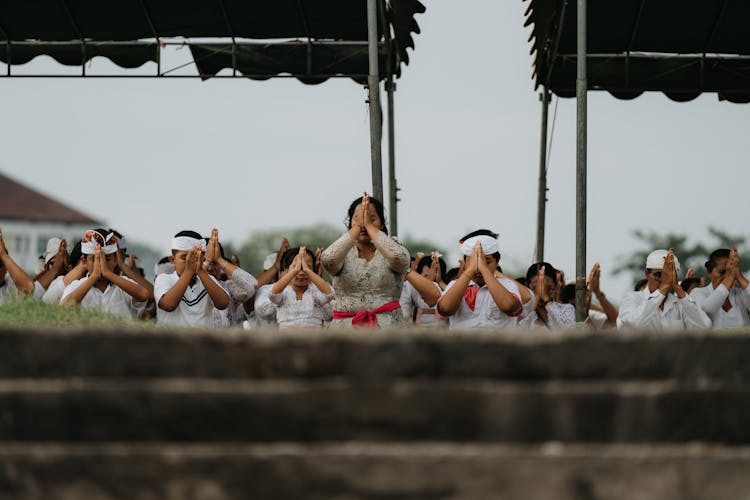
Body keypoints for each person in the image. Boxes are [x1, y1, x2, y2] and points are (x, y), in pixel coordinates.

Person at [322, 193, 410, 327]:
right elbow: (328, 259)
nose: (363, 223)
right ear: (350, 223)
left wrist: (369, 225)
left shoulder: (393, 250)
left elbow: (398, 258)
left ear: (381, 224)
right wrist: (358, 226)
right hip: (345, 332)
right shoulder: (342, 254)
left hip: (390, 330)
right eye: (357, 219)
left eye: (371, 218)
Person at [437, 230, 530, 329]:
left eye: (487, 261)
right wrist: (470, 270)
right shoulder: (454, 285)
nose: (478, 268)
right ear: (464, 262)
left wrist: (484, 268)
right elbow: (445, 309)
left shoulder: (508, 285)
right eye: (473, 262)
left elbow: (510, 307)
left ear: (497, 261)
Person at [61, 229, 150, 319]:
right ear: (84, 262)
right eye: (95, 259)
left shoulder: (124, 285)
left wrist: (108, 274)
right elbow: (64, 307)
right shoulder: (76, 286)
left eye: (106, 259)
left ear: (116, 260)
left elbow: (144, 295)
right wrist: (94, 277)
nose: (100, 263)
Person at [618, 249, 710, 330]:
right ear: (646, 273)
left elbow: (705, 326)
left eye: (668, 276)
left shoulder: (681, 303)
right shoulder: (631, 298)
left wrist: (678, 289)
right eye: (658, 275)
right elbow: (633, 323)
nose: (663, 280)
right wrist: (664, 286)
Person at [154, 230, 230, 327]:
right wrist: (188, 271)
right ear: (173, 260)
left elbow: (223, 303)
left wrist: (201, 271)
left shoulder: (208, 279)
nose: (190, 262)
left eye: (196, 258)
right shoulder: (164, 279)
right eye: (184, 258)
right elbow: (168, 305)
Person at [263, 246, 334, 328]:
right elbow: (272, 294)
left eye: (307, 267)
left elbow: (329, 294)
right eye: (296, 267)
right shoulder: (284, 293)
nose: (301, 273)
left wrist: (306, 269)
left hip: (314, 339)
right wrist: (295, 270)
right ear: (287, 270)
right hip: (286, 339)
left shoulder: (315, 292)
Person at [690, 247, 750, 327]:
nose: (726, 276)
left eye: (729, 271)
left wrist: (738, 275)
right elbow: (707, 310)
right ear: (708, 272)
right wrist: (730, 275)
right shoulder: (697, 293)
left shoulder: (740, 294)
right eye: (722, 272)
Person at [519, 262, 575, 328]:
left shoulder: (566, 309)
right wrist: (536, 298)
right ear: (527, 286)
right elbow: (518, 330)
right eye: (535, 288)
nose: (541, 292)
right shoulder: (521, 310)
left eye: (549, 288)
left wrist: (546, 299)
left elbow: (568, 330)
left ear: (556, 287)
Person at [0, 226, 35, 303]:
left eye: (0, 263)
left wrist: (3, 255)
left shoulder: (10, 284)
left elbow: (29, 288)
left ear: (6, 267)